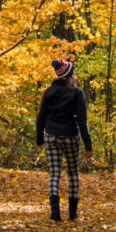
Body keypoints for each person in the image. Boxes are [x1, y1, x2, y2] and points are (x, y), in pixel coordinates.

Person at [36, 59, 93, 221]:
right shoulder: (77, 93)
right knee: (73, 173)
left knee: (54, 173)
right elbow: (82, 121)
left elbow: (41, 117)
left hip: (51, 136)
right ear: (70, 74)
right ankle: (72, 213)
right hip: (70, 136)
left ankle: (55, 213)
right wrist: (88, 145)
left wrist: (39, 138)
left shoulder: (49, 92)